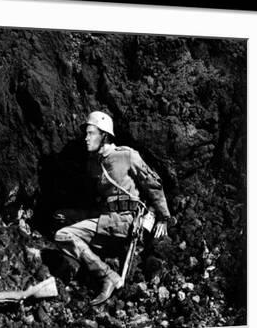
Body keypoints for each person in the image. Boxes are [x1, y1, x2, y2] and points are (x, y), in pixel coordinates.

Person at [54, 111, 171, 306]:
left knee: (64, 235)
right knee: (61, 226)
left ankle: (107, 276)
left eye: (91, 133)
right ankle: (101, 266)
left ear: (104, 136)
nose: (86, 138)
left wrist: (164, 216)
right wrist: (74, 215)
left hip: (126, 222)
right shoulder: (93, 164)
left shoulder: (126, 156)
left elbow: (153, 184)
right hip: (107, 220)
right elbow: (102, 206)